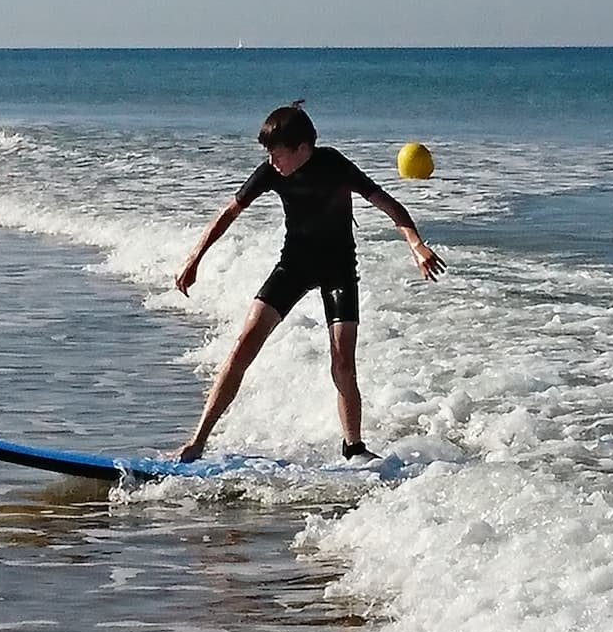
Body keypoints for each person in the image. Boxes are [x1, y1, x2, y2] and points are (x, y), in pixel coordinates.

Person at [172, 101, 445, 463]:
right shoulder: (271, 172)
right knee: (243, 346)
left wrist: (416, 245)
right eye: (268, 155)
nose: (272, 162)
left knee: (342, 362)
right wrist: (195, 257)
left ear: (303, 149)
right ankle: (198, 442)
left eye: (278, 154)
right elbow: (229, 212)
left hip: (338, 270)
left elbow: (390, 205)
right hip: (294, 265)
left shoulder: (335, 165)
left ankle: (354, 447)